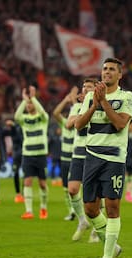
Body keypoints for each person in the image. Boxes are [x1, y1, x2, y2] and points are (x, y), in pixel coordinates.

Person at [75, 58, 132, 258]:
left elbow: (120, 124)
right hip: (91, 157)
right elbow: (78, 125)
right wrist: (94, 105)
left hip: (114, 159)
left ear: (120, 75)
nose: (106, 72)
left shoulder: (127, 97)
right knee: (90, 209)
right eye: (104, 69)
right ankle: (113, 245)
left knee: (112, 208)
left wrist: (104, 103)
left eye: (111, 70)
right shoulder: (92, 96)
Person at [66, 78, 99, 242]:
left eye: (89, 87)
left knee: (95, 195)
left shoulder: (100, 106)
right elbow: (69, 124)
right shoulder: (77, 106)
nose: (85, 89)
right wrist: (82, 110)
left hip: (94, 153)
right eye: (84, 87)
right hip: (78, 154)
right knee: (72, 190)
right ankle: (82, 221)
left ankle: (96, 229)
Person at [14, 85, 49, 219]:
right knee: (27, 182)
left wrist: (33, 98)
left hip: (40, 155)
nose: (29, 105)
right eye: (27, 104)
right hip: (28, 155)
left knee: (42, 184)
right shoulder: (24, 119)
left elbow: (43, 112)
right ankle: (29, 211)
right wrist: (24, 100)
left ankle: (43, 208)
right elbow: (16, 116)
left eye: (30, 103)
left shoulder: (42, 118)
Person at [52, 86, 78, 221]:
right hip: (64, 159)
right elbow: (56, 113)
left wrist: (73, 100)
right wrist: (65, 100)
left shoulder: (80, 125)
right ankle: (72, 211)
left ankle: (79, 211)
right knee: (64, 188)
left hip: (76, 159)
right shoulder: (64, 124)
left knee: (76, 188)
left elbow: (79, 111)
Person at [3, 119, 24, 203]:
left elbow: (20, 137)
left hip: (24, 153)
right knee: (15, 173)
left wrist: (13, 125)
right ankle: (18, 193)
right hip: (16, 155)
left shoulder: (21, 128)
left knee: (26, 174)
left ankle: (24, 194)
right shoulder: (12, 130)